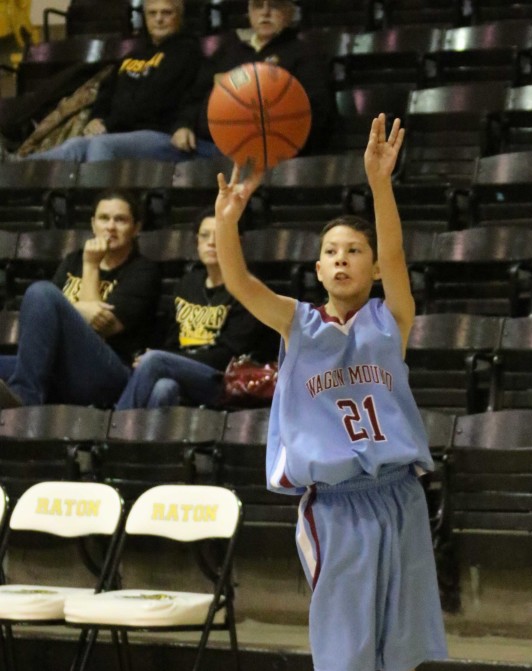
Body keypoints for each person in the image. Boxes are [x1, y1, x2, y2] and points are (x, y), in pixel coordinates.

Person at [214, 114, 448, 671]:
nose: (342, 258)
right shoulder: (298, 325)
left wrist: (380, 182)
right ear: (317, 269)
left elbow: (399, 249)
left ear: (372, 268)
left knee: (402, 656)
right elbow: (243, 283)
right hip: (337, 508)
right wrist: (226, 227)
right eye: (330, 251)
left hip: (400, 498)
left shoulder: (392, 319)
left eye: (354, 251)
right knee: (345, 658)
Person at [0, 190, 161, 408]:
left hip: (107, 374)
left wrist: (91, 266)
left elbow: (99, 327)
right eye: (104, 218)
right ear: (93, 224)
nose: (110, 227)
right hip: (59, 366)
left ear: (136, 228)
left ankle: (25, 397)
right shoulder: (72, 260)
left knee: (41, 291)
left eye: (120, 220)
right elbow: (46, 316)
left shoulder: (143, 271)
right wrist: (78, 310)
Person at [115, 208, 277, 409]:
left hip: (223, 379)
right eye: (204, 236)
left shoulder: (249, 290)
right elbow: (172, 341)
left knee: (154, 361)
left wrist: (165, 360)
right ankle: (139, 440)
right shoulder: (187, 284)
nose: (211, 242)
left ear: (238, 242)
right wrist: (167, 359)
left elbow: (227, 356)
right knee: (164, 388)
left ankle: (110, 433)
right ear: (197, 242)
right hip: (183, 372)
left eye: (220, 236)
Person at [26, 0, 200, 163]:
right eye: (152, 13)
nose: (159, 19)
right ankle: (19, 166)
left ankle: (101, 196)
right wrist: (97, 118)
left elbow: (154, 101)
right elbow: (106, 91)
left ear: (179, 16)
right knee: (75, 145)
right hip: (119, 132)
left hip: (158, 132)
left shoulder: (187, 53)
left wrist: (109, 124)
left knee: (100, 145)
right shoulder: (132, 56)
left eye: (166, 13)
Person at [164, 0, 333, 162]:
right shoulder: (229, 50)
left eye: (274, 5)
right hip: (211, 148)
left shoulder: (304, 55)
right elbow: (196, 95)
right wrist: (184, 125)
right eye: (258, 5)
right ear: (250, 12)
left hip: (272, 153)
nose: (265, 12)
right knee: (142, 144)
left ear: (289, 13)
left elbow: (317, 112)